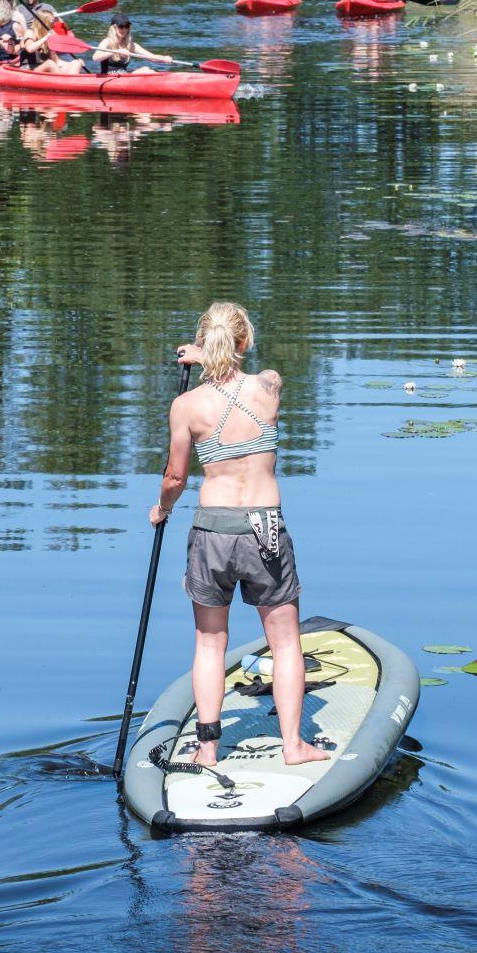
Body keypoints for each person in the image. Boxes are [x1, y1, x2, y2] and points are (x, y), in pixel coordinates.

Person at [150, 302, 329, 770]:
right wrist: (212, 357)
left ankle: (208, 749)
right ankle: (293, 746)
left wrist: (162, 509)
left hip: (212, 530)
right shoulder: (268, 388)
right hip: (264, 530)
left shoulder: (186, 406)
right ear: (245, 342)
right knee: (286, 642)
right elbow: (253, 370)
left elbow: (174, 477)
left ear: (206, 345)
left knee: (210, 644)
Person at [92, 14, 171, 73]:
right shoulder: (107, 41)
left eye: (127, 26)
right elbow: (95, 58)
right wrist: (115, 51)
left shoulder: (131, 45)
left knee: (147, 70)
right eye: (121, 26)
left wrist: (164, 58)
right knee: (145, 70)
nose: (124, 29)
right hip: (107, 77)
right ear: (114, 28)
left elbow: (151, 57)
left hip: (124, 77)